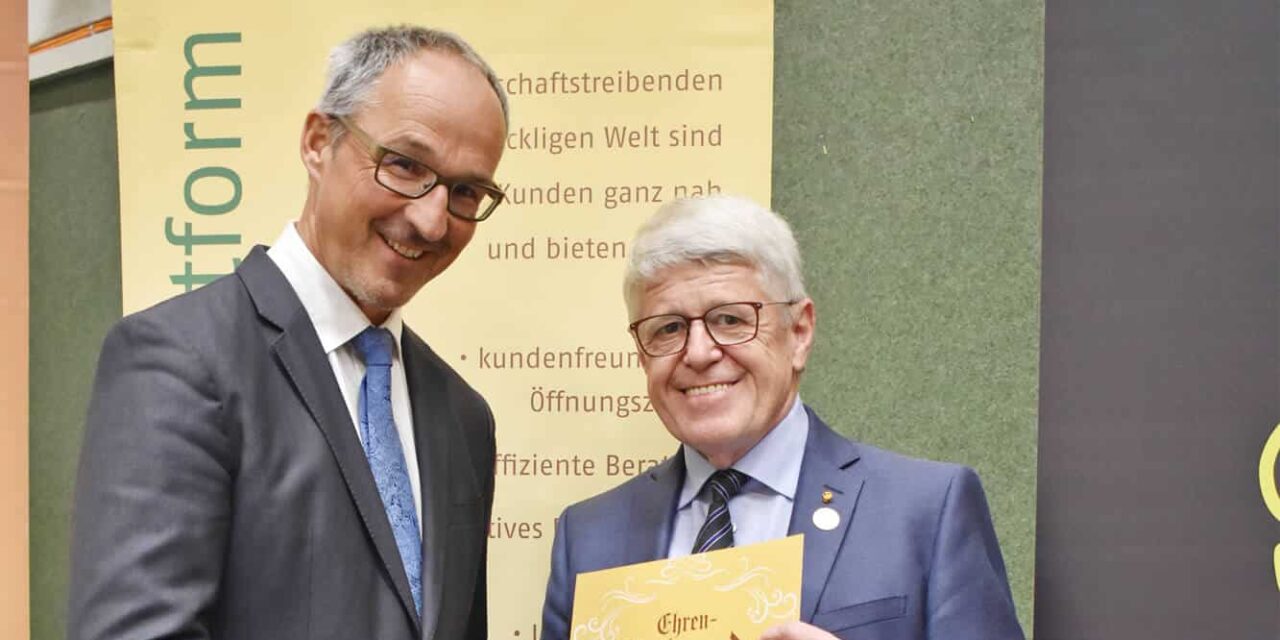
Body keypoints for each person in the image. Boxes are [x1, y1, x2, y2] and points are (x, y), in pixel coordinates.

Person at [69, 26, 507, 640]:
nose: (432, 221)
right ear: (318, 142)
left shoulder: (463, 417)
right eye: (406, 165)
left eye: (465, 192)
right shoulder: (178, 362)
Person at [540, 195, 1024, 640]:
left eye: (730, 319)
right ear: (642, 354)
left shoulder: (926, 512)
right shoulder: (588, 537)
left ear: (799, 332)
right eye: (668, 328)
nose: (699, 352)